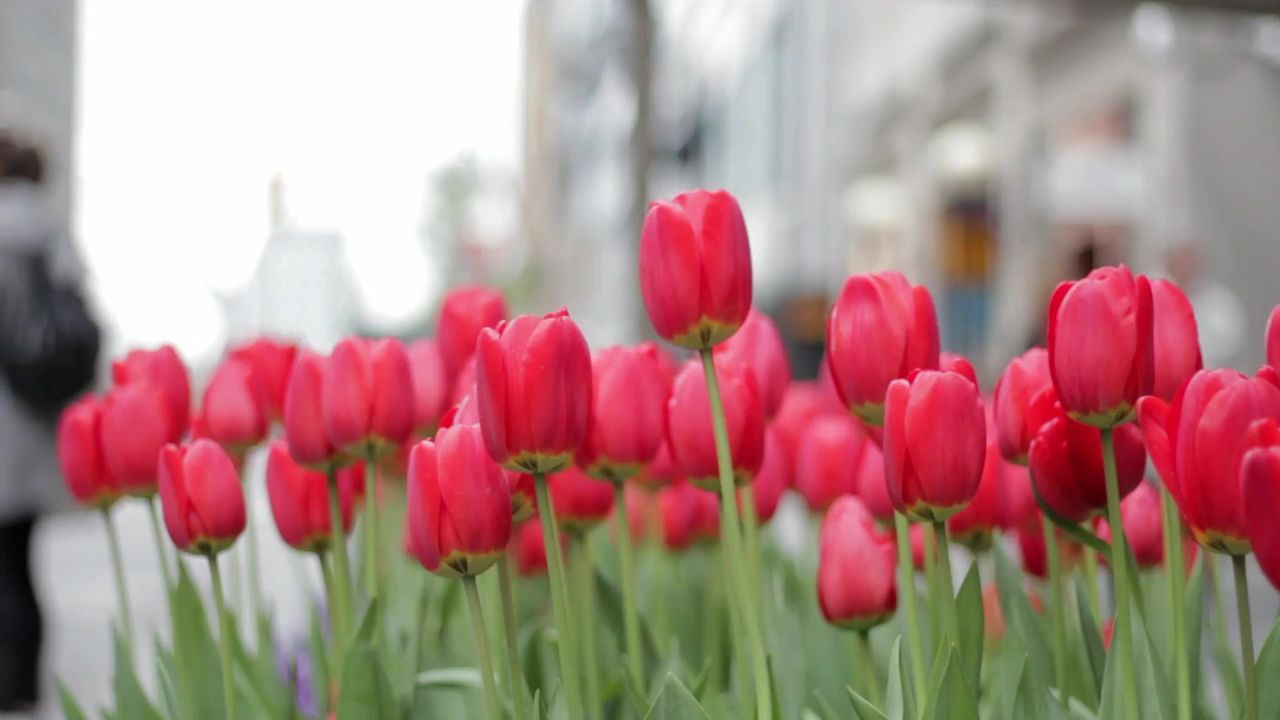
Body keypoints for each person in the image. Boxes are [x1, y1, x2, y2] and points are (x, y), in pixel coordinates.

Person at [0, 130, 90, 712]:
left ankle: (7, 689)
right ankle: (27, 686)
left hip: (1, 423)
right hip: (39, 428)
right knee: (22, 564)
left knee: (1, 570)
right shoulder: (54, 237)